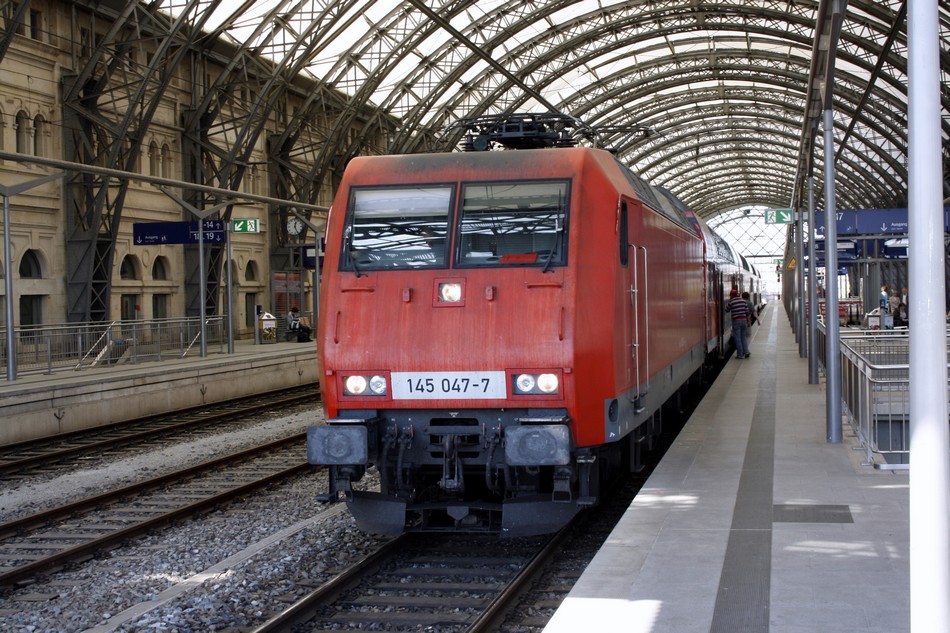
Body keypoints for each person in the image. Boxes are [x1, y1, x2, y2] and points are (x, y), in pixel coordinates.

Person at [726, 288, 750, 358]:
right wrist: (748, 321)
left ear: (731, 295)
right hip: (744, 320)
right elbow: (747, 312)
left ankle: (740, 354)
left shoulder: (731, 301)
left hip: (736, 321)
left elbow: (727, 310)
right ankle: (746, 352)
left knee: (737, 338)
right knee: (743, 337)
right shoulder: (743, 301)